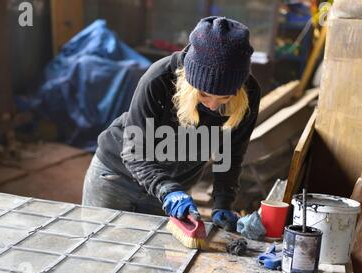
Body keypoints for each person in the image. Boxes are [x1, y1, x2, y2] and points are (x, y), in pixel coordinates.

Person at [83, 16, 261, 231]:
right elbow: (135, 152)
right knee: (99, 251)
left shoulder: (248, 94)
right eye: (204, 95)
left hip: (172, 191)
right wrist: (168, 190)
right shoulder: (158, 79)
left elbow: (230, 155)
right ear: (189, 81)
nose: (213, 106)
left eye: (224, 99)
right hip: (116, 178)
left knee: (151, 260)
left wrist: (223, 202)